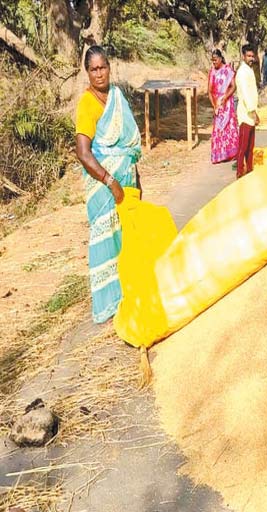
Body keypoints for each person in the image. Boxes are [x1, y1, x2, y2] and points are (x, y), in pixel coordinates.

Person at [74, 45, 142, 324]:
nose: (99, 73)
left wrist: (134, 179)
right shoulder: (87, 104)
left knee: (126, 237)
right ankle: (109, 302)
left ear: (110, 67)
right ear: (87, 72)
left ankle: (127, 292)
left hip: (127, 178)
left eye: (103, 67)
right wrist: (110, 180)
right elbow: (83, 152)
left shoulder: (117, 96)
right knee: (106, 239)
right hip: (104, 186)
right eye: (93, 69)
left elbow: (128, 144)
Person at [208, 49, 239, 164]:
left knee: (229, 127)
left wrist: (225, 97)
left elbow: (233, 86)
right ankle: (219, 155)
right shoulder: (212, 72)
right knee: (218, 128)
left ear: (221, 59)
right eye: (212, 60)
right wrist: (214, 104)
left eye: (215, 60)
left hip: (227, 102)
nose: (214, 62)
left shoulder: (228, 70)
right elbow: (209, 91)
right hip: (217, 104)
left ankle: (232, 153)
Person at [234, 44, 259, 178]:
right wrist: (253, 112)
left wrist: (255, 113)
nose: (251, 58)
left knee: (250, 147)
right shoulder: (242, 72)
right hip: (245, 114)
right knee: (243, 147)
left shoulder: (248, 70)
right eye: (248, 56)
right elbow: (244, 93)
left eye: (252, 56)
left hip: (251, 113)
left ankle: (249, 171)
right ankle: (239, 172)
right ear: (243, 56)